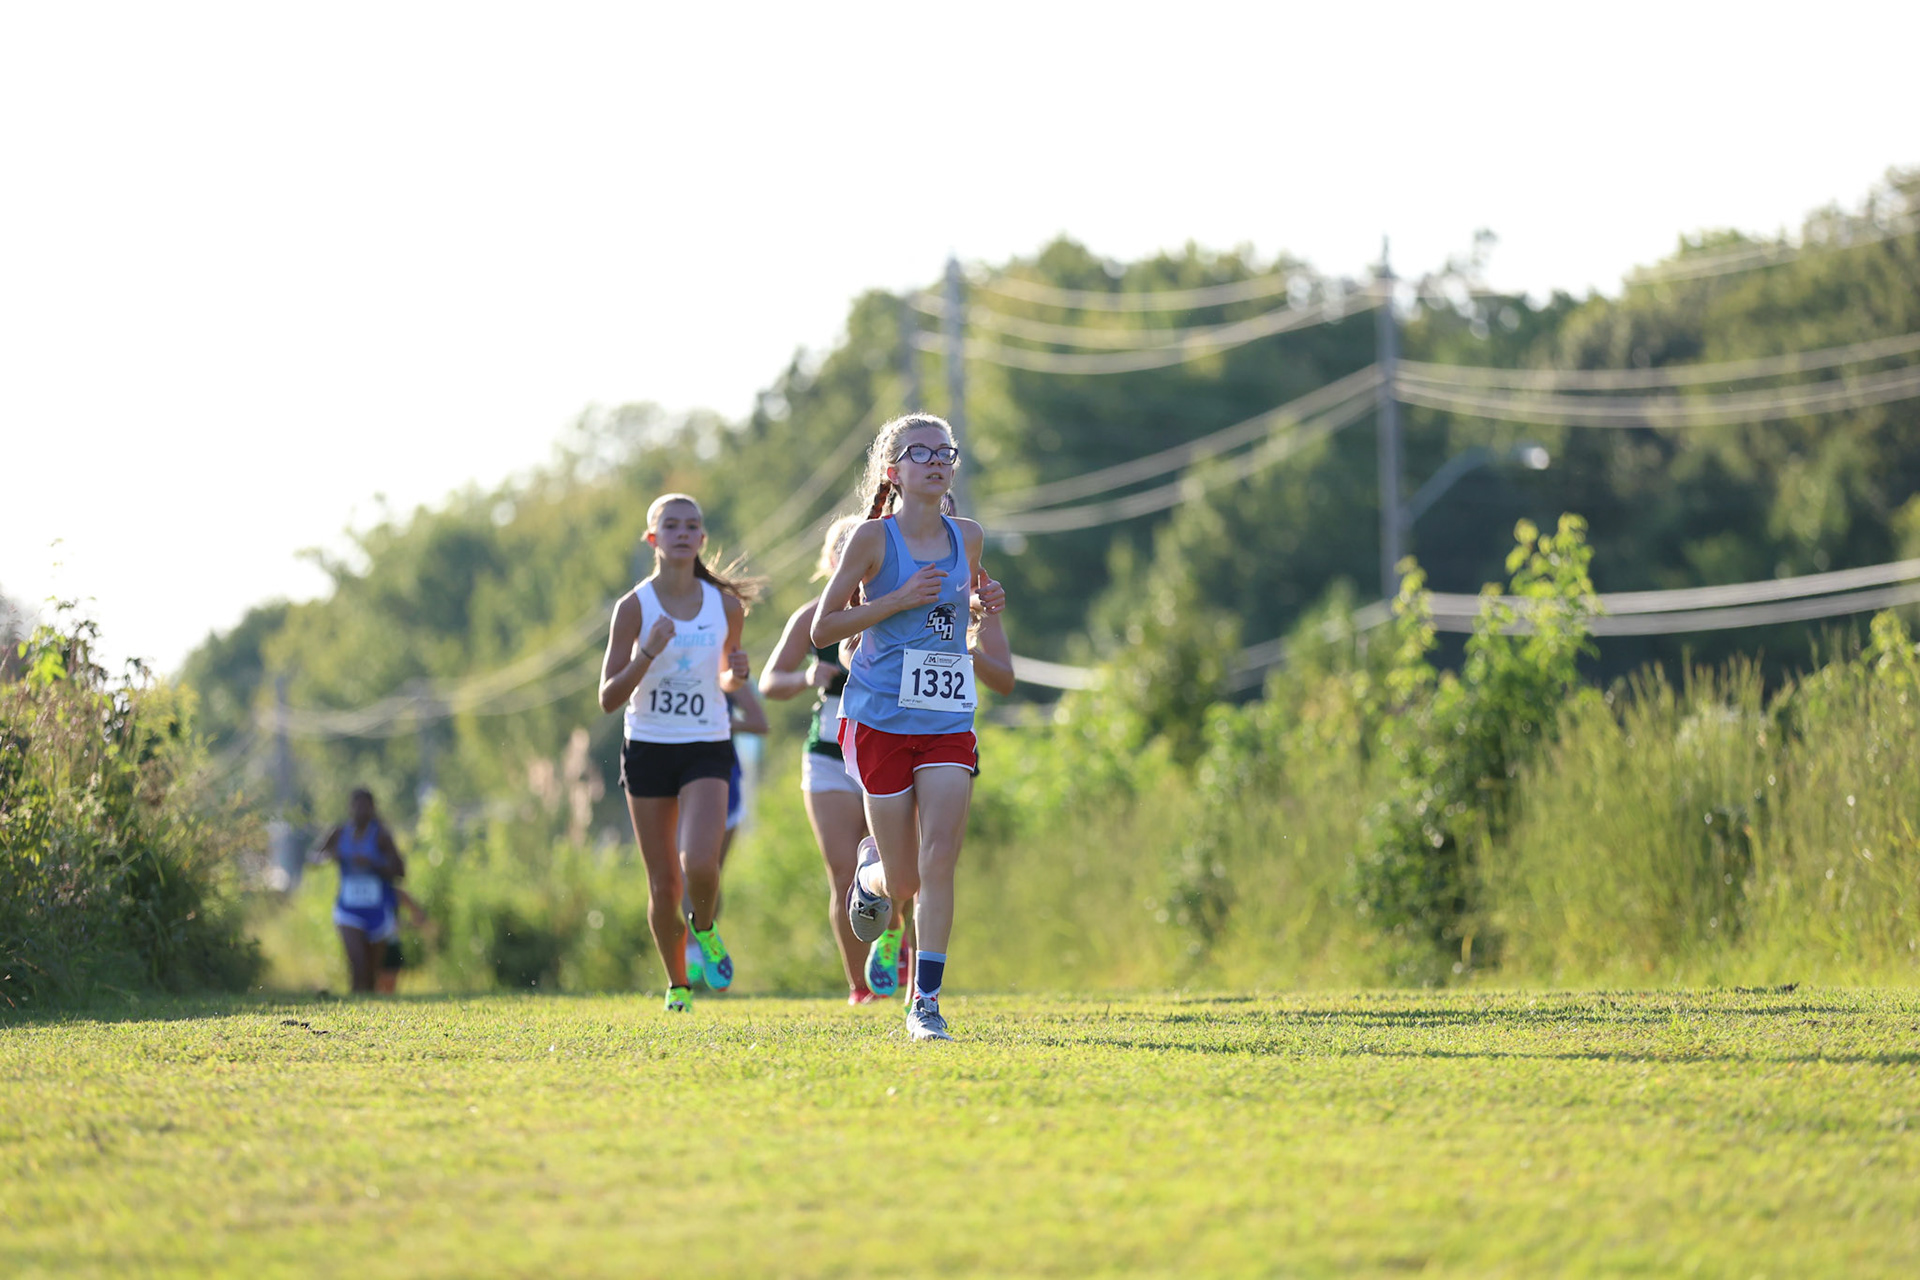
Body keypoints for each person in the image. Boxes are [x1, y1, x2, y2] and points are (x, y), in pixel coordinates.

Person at [811, 414, 1005, 1041]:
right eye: (918, 452)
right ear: (893, 472)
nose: (935, 460)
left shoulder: (968, 536)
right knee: (903, 881)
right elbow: (823, 629)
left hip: (948, 716)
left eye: (944, 451)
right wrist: (896, 601)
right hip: (879, 720)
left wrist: (982, 604)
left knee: (940, 858)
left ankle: (926, 1003)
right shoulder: (872, 540)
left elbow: (962, 612)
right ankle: (870, 875)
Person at [598, 493, 761, 1012]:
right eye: (671, 525)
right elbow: (607, 697)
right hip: (647, 747)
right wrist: (648, 650)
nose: (683, 533)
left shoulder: (726, 606)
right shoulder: (634, 608)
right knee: (664, 884)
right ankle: (677, 986)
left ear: (702, 539)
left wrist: (737, 674)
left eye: (692, 526)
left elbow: (727, 679)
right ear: (653, 538)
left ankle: (706, 929)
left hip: (706, 746)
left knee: (701, 865)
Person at [763, 514, 905, 1004]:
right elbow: (769, 683)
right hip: (826, 756)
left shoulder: (892, 607)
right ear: (830, 561)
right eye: (841, 549)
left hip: (882, 750)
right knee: (843, 872)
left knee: (892, 868)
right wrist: (806, 680)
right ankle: (860, 988)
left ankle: (891, 941)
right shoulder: (810, 618)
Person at [684, 687, 768, 988]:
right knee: (683, 872)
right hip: (673, 771)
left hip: (721, 776)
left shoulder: (726, 668)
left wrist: (723, 722)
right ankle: (688, 957)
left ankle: (704, 938)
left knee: (710, 872)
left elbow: (761, 724)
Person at [309, 788, 407, 994]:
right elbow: (313, 858)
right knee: (358, 963)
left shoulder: (381, 835)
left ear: (373, 808)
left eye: (366, 806)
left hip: (377, 910)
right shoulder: (339, 833)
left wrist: (374, 864)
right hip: (349, 909)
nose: (361, 810)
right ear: (350, 807)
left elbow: (400, 871)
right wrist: (330, 856)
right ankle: (353, 1007)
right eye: (357, 805)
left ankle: (366, 1012)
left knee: (371, 973)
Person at [374, 887, 431, 994]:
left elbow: (417, 916)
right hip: (374, 943)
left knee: (387, 986)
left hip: (389, 942)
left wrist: (411, 920)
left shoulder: (390, 890)